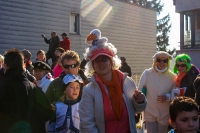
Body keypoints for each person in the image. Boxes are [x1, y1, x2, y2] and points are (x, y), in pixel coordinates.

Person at [79, 29, 147, 133]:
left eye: (104, 59)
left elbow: (136, 110)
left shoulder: (127, 82)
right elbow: (86, 124)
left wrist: (140, 101)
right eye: (97, 60)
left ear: (111, 61)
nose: (101, 63)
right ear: (92, 65)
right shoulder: (89, 90)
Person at [0, 48, 51, 132]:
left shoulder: (2, 86)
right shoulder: (34, 88)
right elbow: (46, 113)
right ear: (23, 65)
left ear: (5, 66)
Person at [138, 51, 176, 133]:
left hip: (164, 113)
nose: (162, 63)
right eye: (159, 60)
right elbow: (140, 89)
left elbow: (175, 94)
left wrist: (167, 97)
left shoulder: (172, 76)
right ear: (155, 61)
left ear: (167, 62)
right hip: (149, 112)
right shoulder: (147, 73)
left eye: (164, 61)